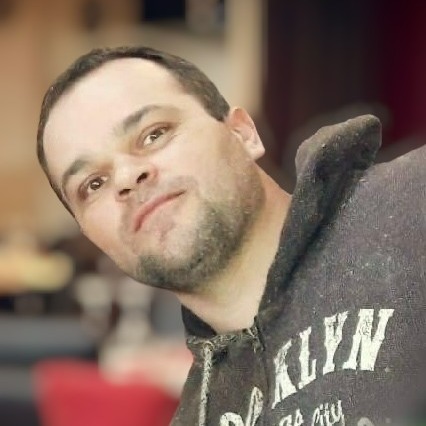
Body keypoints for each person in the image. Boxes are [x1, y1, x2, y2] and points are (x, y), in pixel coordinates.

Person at [37, 46, 425, 426]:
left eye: (154, 134)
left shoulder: (412, 204)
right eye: (93, 183)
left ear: (243, 133)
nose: (125, 177)